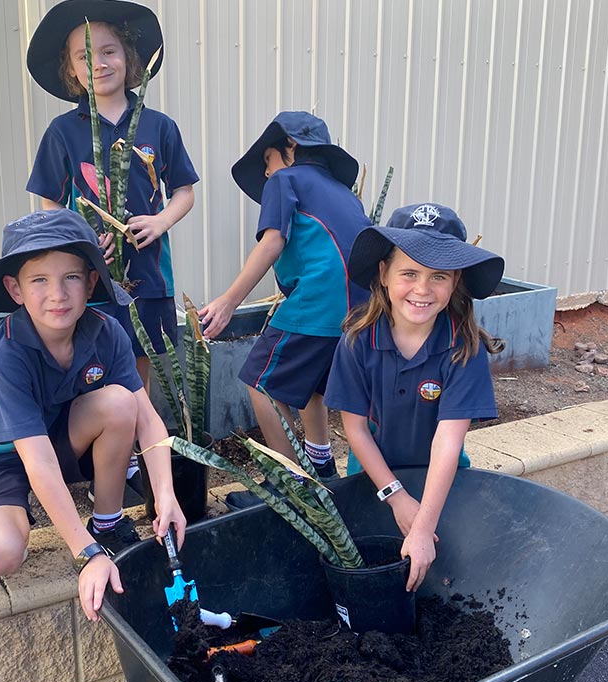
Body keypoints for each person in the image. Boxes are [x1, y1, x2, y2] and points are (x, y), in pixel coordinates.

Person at [0, 209, 186, 621]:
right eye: (39, 279)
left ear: (92, 281)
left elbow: (147, 419)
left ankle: (107, 524)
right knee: (1, 553)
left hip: (54, 439)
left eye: (71, 277)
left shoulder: (105, 331)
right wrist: (85, 556)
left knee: (120, 402)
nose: (57, 294)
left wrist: (166, 492)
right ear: (14, 289)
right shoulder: (6, 352)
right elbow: (35, 461)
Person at [324, 203, 505, 593]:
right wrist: (396, 497)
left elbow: (448, 440)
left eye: (438, 276)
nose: (422, 289)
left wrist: (423, 525)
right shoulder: (357, 341)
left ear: (455, 281)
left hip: (442, 480)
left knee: (442, 577)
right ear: (384, 274)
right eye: (409, 273)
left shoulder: (464, 348)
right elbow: (355, 430)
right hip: (373, 477)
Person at [199, 111, 371, 510]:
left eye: (267, 159)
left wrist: (228, 301)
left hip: (319, 300)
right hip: (359, 310)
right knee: (311, 386)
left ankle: (290, 484)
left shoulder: (285, 179)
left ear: (290, 148)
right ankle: (321, 465)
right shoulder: (345, 193)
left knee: (260, 382)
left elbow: (273, 241)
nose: (266, 170)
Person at [25, 0, 198, 394]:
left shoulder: (159, 126)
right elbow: (50, 202)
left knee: (141, 364)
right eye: (84, 56)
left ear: (128, 58)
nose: (99, 63)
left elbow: (184, 192)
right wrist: (79, 239)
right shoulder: (62, 131)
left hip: (150, 276)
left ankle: (137, 448)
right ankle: (109, 449)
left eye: (109, 51)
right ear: (71, 68)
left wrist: (161, 221)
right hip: (90, 275)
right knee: (93, 366)